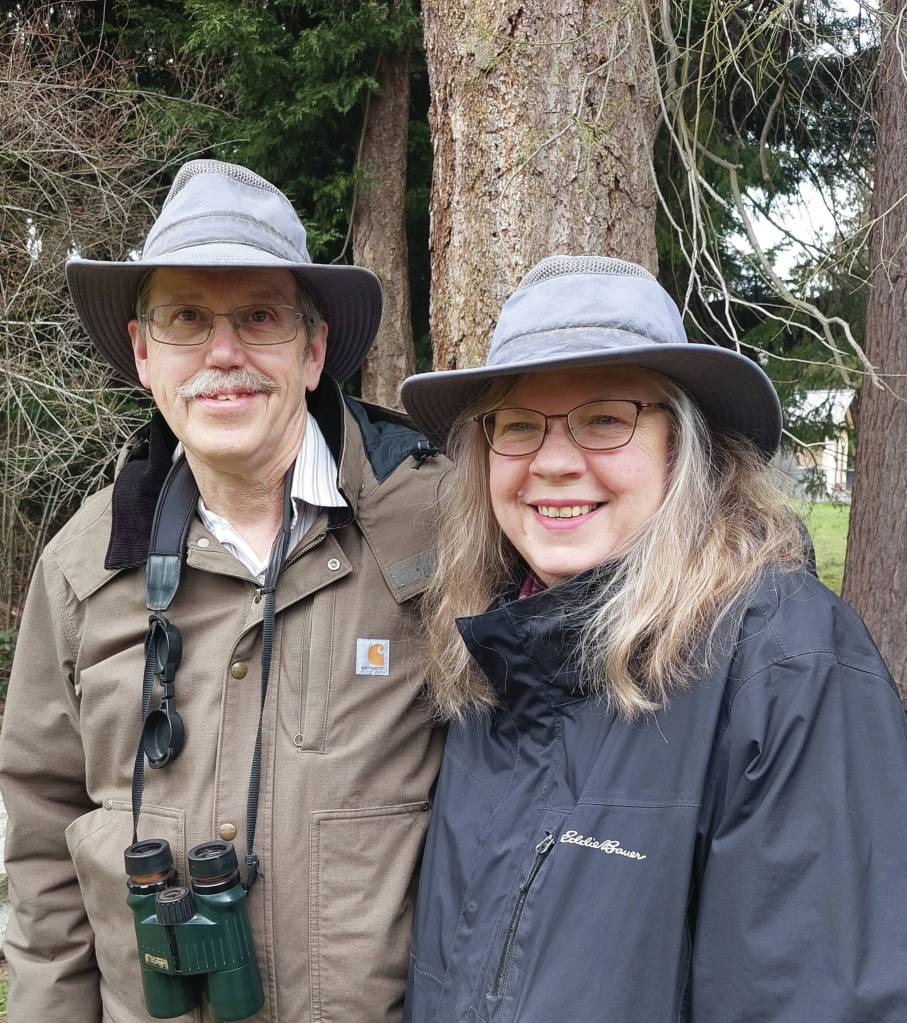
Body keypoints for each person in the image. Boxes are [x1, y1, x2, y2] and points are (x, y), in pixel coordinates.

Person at [399, 255, 907, 1022]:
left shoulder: (784, 663)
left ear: (682, 443)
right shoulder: (493, 655)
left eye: (605, 418)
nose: (553, 462)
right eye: (518, 424)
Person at [0, 160, 445, 1022]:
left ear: (313, 351)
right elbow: (43, 848)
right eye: (186, 319)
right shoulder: (82, 567)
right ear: (143, 353)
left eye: (259, 316)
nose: (223, 354)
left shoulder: (436, 530)